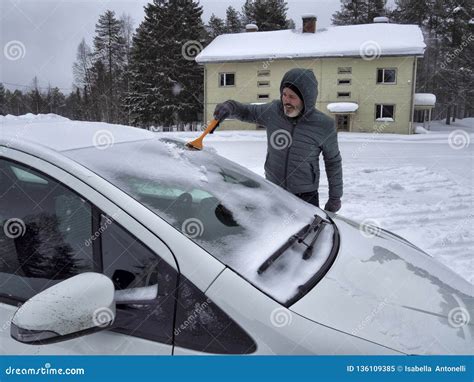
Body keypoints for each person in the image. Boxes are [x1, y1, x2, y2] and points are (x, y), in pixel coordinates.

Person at [213, 68, 343, 213]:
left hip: (305, 196)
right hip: (273, 190)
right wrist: (230, 106)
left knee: (307, 234)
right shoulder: (273, 111)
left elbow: (333, 162)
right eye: (284, 94)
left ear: (306, 99)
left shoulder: (324, 125)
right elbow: (247, 111)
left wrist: (335, 197)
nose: (286, 100)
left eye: (292, 97)